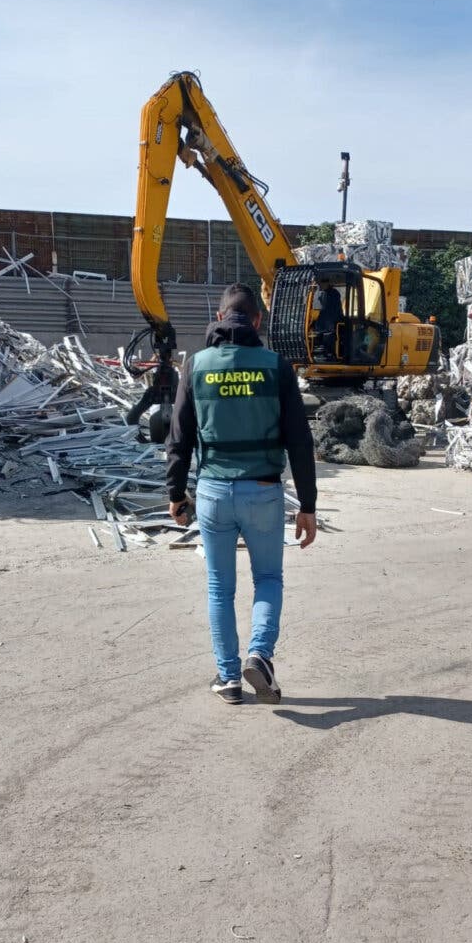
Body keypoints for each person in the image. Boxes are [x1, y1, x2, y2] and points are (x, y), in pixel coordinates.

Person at [167, 283, 317, 705]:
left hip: (214, 491)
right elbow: (300, 442)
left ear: (219, 317)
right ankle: (260, 655)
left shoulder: (195, 366)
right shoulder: (276, 366)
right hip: (264, 491)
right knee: (268, 578)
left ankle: (229, 678)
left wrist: (176, 493)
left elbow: (179, 438)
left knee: (219, 587)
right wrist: (308, 505)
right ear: (256, 321)